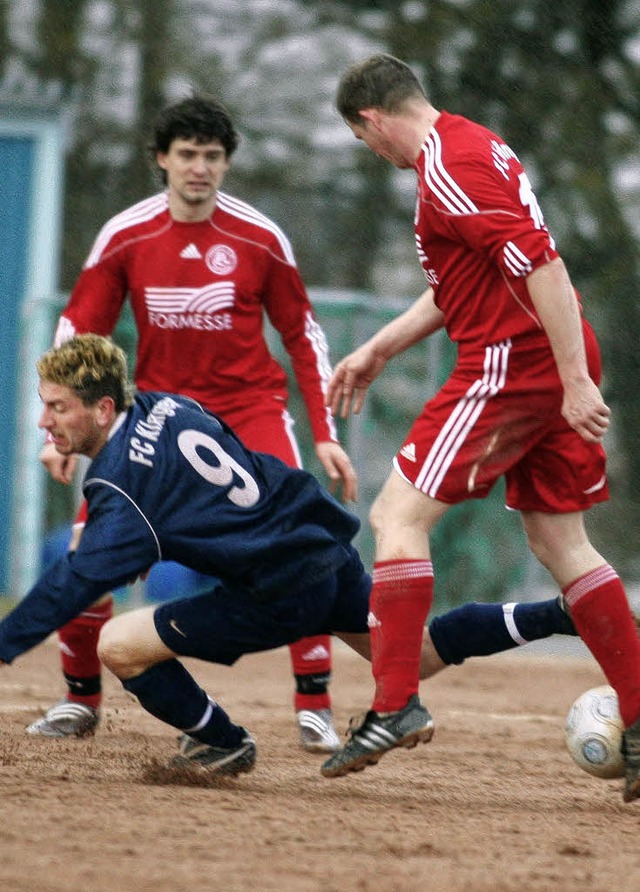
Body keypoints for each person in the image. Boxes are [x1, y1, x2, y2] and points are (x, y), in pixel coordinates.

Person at [0, 335, 612, 783]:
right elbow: (216, 466)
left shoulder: (118, 483)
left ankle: (223, 742)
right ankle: (557, 615)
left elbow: (73, 584)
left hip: (275, 589)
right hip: (318, 546)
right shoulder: (169, 405)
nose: (44, 420)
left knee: (118, 644)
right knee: (414, 653)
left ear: (103, 409)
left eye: (57, 407)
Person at [320, 53, 640, 804]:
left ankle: (395, 702)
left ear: (371, 119)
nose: (375, 156)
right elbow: (459, 286)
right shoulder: (472, 145)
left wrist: (572, 382)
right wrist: (376, 348)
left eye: (365, 142)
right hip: (541, 355)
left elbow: (544, 267)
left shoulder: (448, 167)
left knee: (396, 515)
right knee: (560, 541)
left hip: (513, 362)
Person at [30, 95, 357, 753]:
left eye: (212, 155)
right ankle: (79, 700)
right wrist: (55, 432)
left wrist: (323, 431)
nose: (200, 168)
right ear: (162, 160)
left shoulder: (261, 237)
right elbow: (77, 330)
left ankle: (315, 705)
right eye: (187, 154)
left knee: (303, 544)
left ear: (227, 163)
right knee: (86, 552)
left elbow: (302, 333)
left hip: (249, 415)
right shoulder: (126, 234)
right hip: (157, 424)